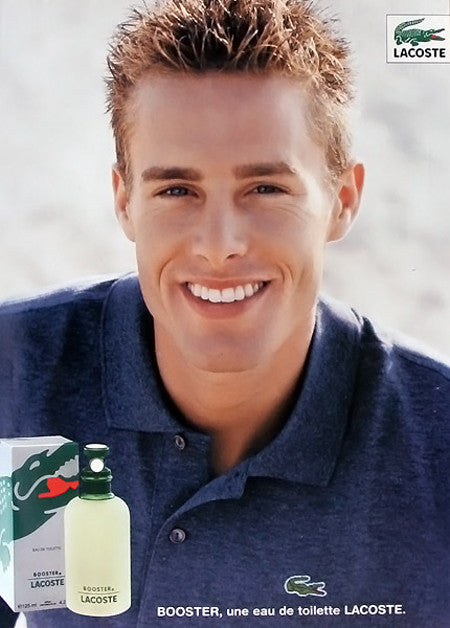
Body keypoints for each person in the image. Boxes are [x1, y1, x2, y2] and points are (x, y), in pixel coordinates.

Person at [0, 0, 448, 626]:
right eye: (176, 190)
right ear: (125, 202)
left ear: (343, 200)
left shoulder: (437, 447)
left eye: (265, 188)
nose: (219, 245)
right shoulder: (14, 376)